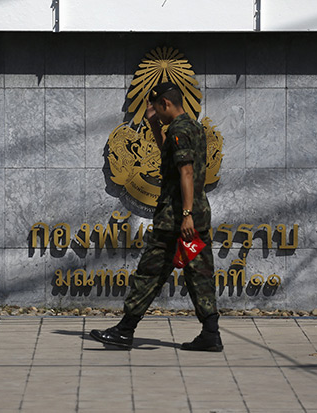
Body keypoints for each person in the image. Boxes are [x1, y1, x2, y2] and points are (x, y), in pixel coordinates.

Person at [90, 82, 222, 352]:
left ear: (166, 104)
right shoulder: (193, 128)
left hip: (176, 217)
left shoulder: (178, 130)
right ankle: (211, 332)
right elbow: (170, 159)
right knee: (199, 273)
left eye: (156, 109)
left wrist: (184, 215)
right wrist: (152, 126)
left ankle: (125, 331)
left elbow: (185, 171)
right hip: (198, 212)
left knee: (150, 272)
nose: (156, 114)